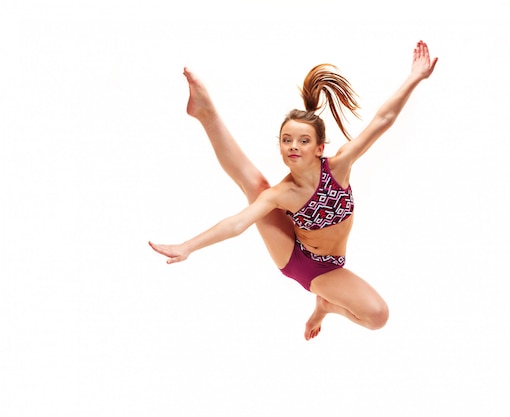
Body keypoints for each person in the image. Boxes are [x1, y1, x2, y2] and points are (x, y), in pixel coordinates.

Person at [150, 40, 438, 340]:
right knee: (257, 187)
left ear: (319, 147)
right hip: (302, 263)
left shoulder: (338, 167)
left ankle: (326, 306)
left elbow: (383, 120)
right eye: (287, 140)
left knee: (376, 317)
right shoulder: (282, 193)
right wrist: (187, 246)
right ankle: (207, 113)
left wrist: (415, 77)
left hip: (333, 263)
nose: (293, 146)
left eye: (303, 140)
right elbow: (237, 223)